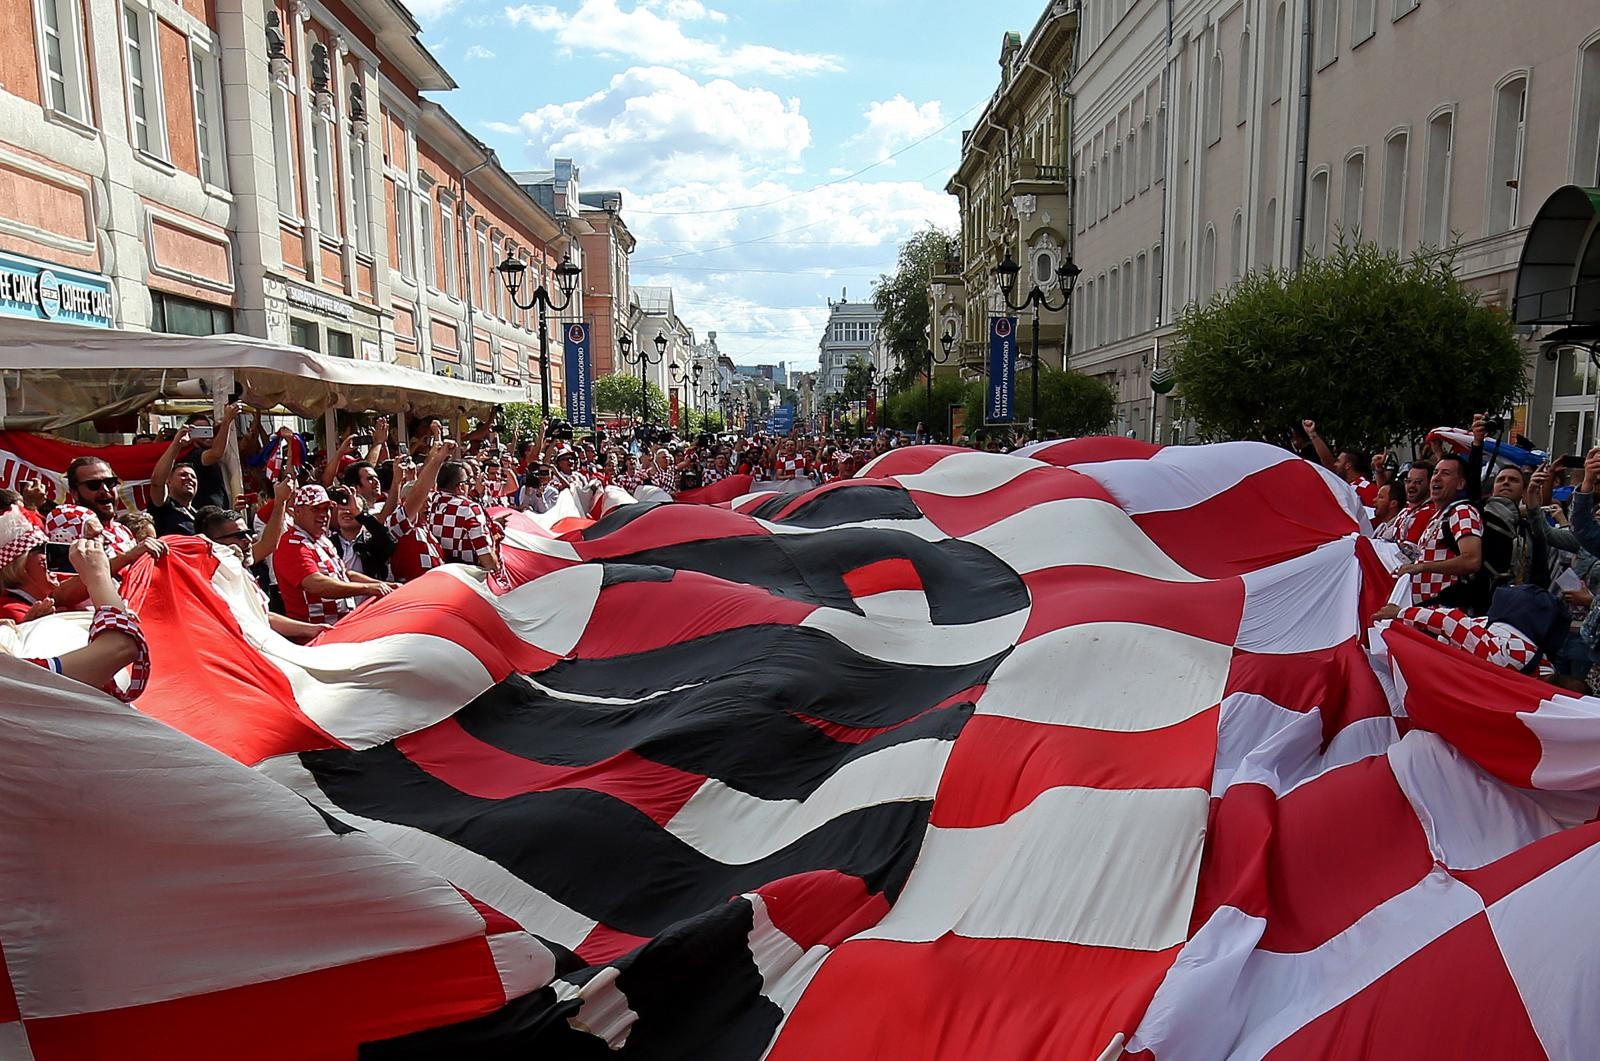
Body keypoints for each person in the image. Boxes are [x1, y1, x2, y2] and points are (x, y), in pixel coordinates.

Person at [6, 537, 149, 702]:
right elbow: (121, 648)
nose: (7, 624)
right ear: (18, 565)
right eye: (40, 548)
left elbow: (65, 593)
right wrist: (98, 574)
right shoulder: (12, 671)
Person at [272, 484, 398, 624]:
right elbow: (316, 584)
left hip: (341, 628)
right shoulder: (291, 544)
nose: (323, 514)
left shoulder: (322, 540)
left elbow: (345, 574)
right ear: (297, 512)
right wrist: (369, 589)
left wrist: (384, 585)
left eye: (327, 509)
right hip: (316, 635)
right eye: (315, 509)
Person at [1393, 454, 1484, 610]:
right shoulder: (1439, 517)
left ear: (1460, 484)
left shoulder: (1462, 511)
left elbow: (1472, 560)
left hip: (1446, 612)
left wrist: (1422, 567)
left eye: (1446, 473)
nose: (1436, 478)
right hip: (1428, 610)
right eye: (1435, 472)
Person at [44, 457, 167, 572]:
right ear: (75, 493)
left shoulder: (123, 531)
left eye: (110, 483)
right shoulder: (69, 525)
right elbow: (64, 589)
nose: (105, 490)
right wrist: (127, 557)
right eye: (93, 485)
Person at [428, 460, 498, 570]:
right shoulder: (469, 508)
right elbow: (487, 559)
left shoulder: (428, 503)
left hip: (436, 572)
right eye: (469, 480)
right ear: (460, 486)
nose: (473, 484)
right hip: (467, 575)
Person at [148, 428, 203, 535]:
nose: (189, 478)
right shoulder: (164, 507)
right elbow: (157, 482)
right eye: (183, 475)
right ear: (169, 481)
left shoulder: (199, 515)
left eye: (193, 476)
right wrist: (176, 445)